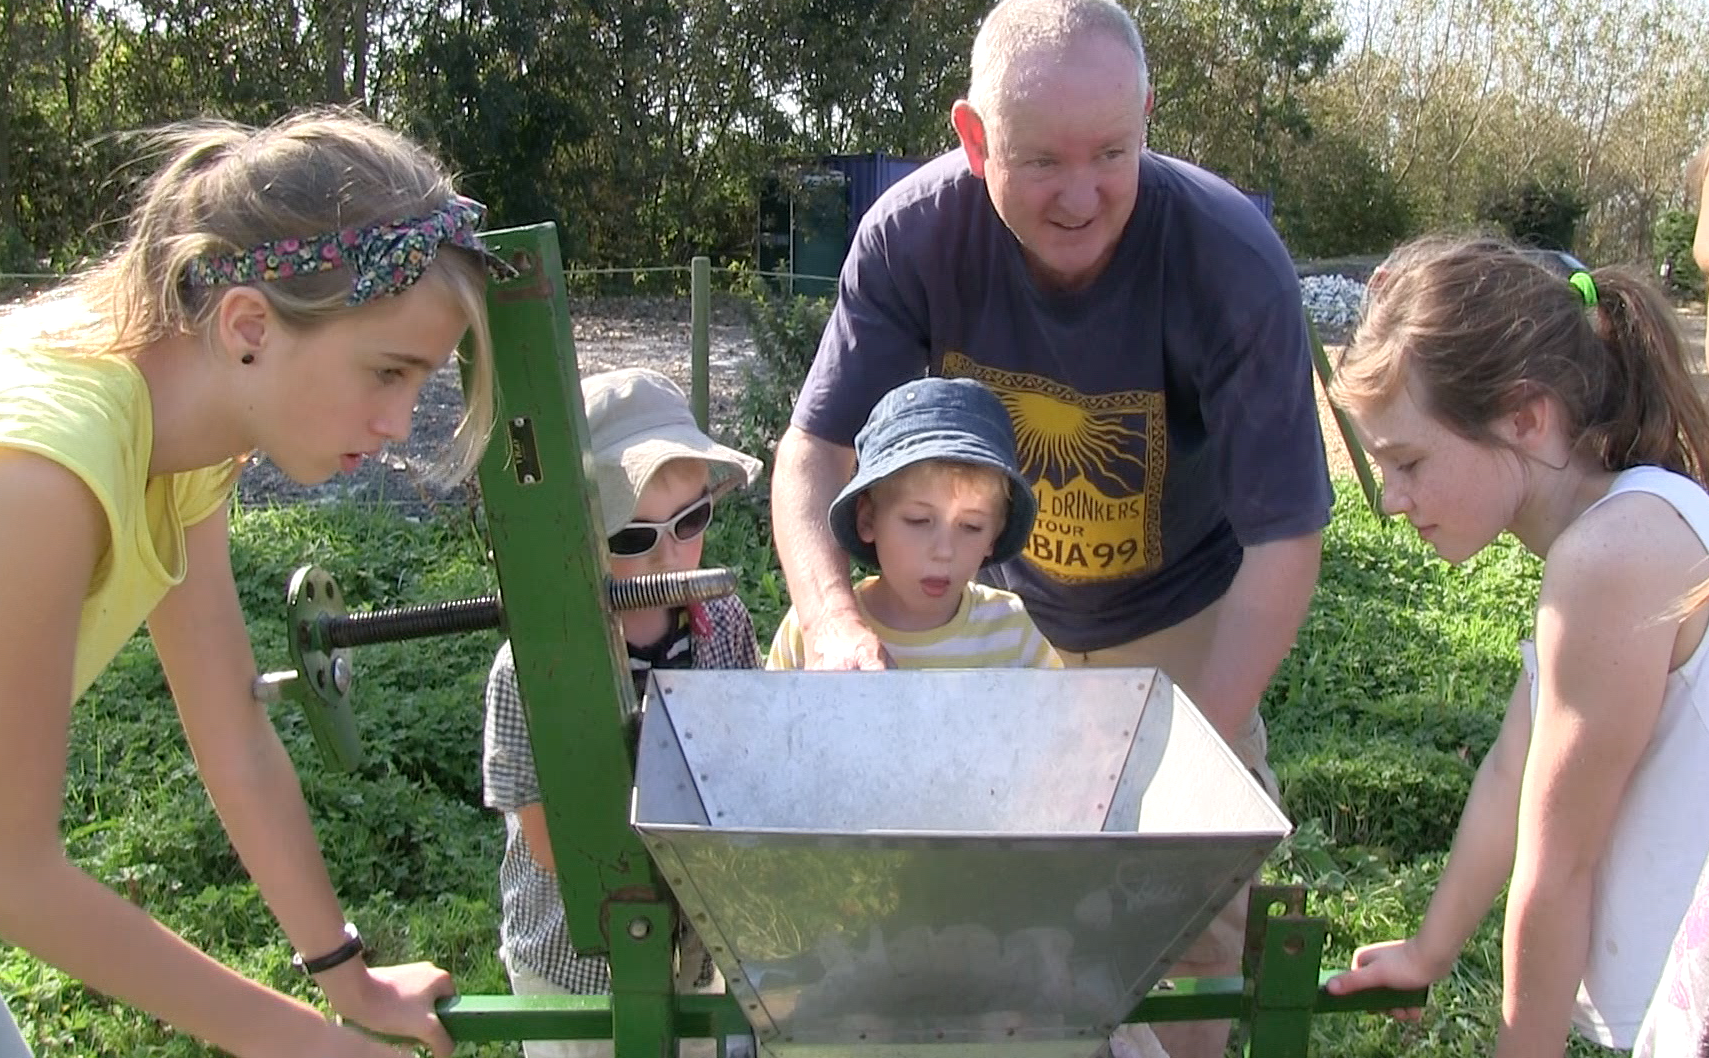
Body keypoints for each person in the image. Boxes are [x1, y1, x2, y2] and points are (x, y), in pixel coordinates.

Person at [768, 0, 1330, 1054]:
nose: (1081, 196)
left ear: (1147, 120)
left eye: (1110, 153)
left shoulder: (1228, 259)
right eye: (1040, 161)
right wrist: (836, 619)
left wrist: (1180, 753)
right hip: (999, 612)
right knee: (977, 905)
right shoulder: (914, 233)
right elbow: (812, 455)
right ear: (972, 138)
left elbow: (1283, 538)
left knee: (1185, 906)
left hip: (1179, 615)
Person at [0, 109, 512, 1057]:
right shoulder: (42, 476)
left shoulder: (181, 437)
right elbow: (12, 873)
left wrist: (343, 975)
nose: (400, 422)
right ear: (247, 325)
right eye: (387, 371)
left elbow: (230, 728)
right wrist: (303, 1045)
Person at [1321, 235, 1709, 1056]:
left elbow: (1555, 872)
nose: (1391, 501)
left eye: (1409, 461)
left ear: (1525, 416)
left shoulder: (1609, 560)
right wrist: (1429, 948)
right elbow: (1512, 766)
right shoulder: (1624, 522)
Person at [482, 367, 763, 1058]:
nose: (670, 556)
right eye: (634, 538)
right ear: (580, 530)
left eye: (690, 521)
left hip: (696, 948)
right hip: (574, 964)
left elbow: (745, 766)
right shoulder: (529, 671)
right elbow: (554, 848)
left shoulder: (722, 624)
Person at [767, 376, 1059, 669]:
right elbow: (769, 712)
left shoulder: (1011, 631)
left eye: (972, 526)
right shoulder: (816, 633)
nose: (944, 551)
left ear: (994, 536)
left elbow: (1055, 713)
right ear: (868, 518)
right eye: (918, 521)